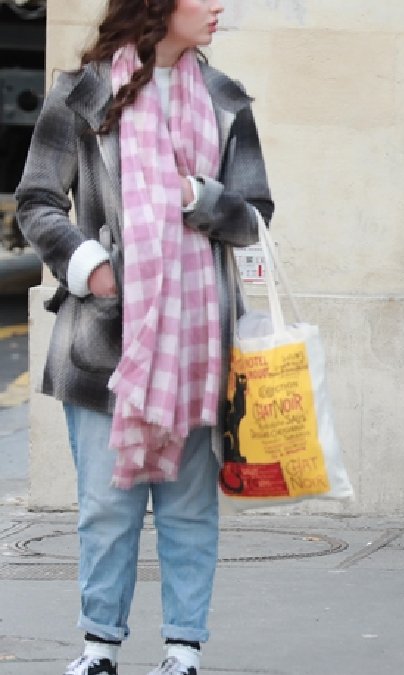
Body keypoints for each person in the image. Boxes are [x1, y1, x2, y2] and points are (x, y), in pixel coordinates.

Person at [15, 1, 272, 674]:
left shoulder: (225, 101)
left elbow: (255, 216)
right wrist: (86, 264)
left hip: (197, 341)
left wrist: (200, 195)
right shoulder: (81, 93)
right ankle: (99, 645)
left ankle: (183, 647)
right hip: (103, 341)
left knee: (188, 507)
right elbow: (39, 200)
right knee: (106, 504)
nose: (218, 7)